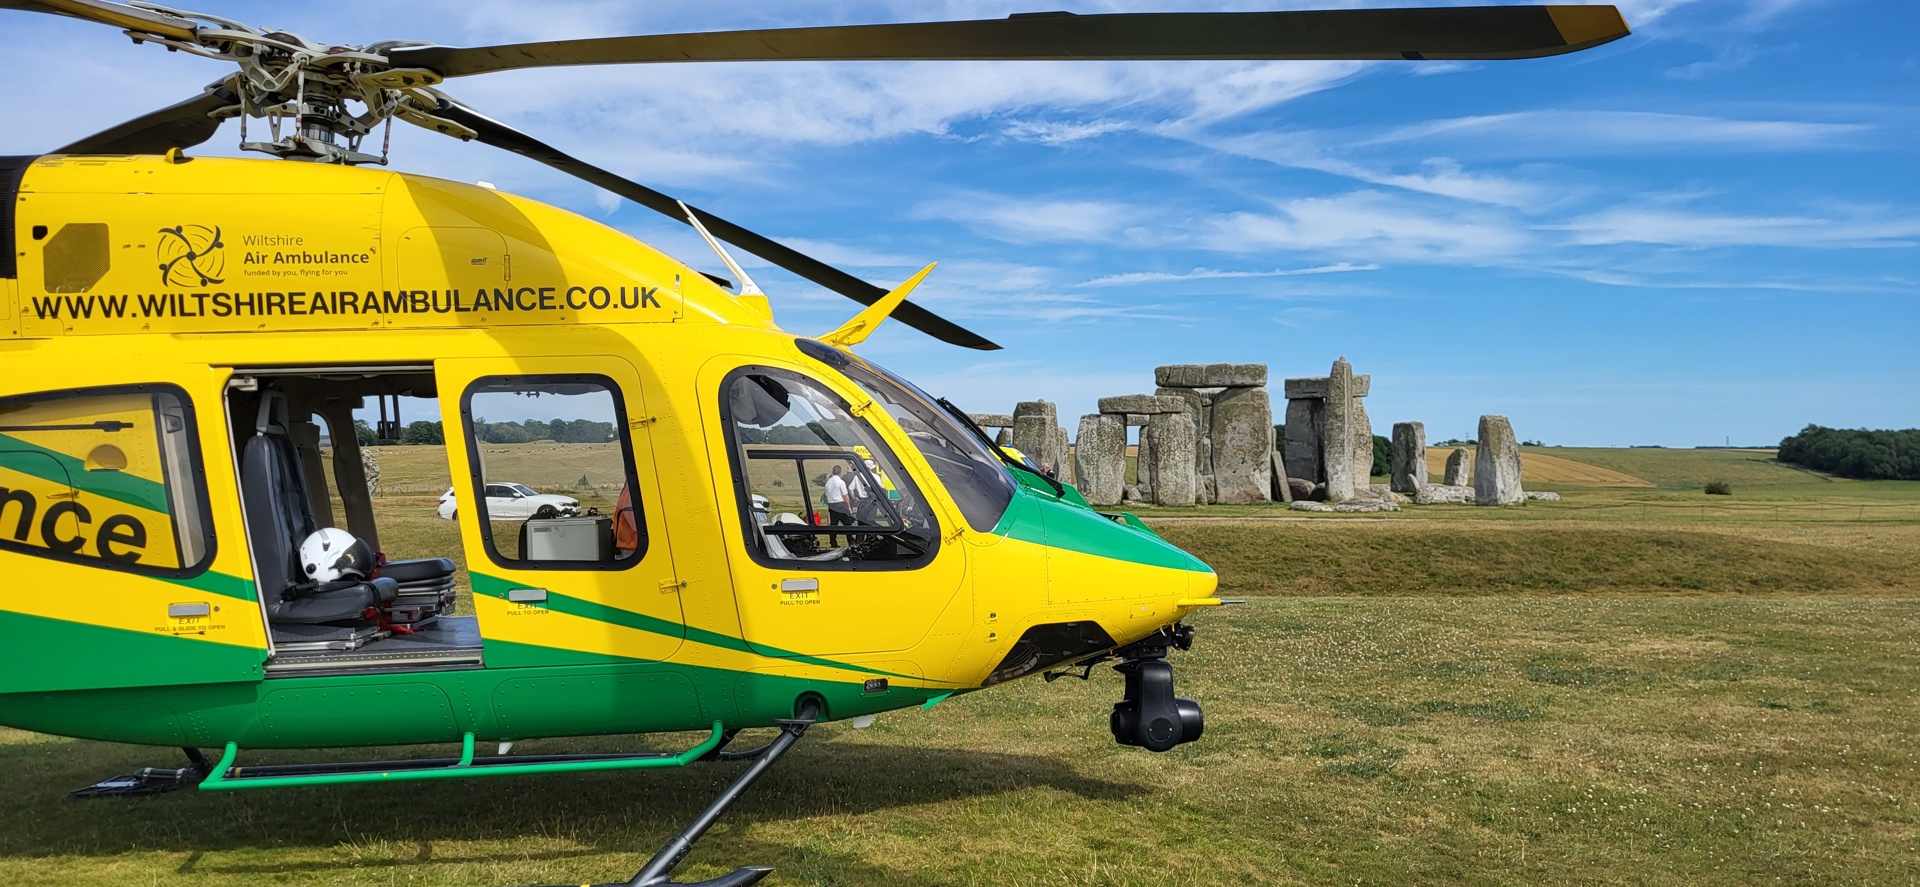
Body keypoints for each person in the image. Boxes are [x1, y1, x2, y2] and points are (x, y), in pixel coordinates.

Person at [823, 464, 853, 545]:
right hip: (840, 505)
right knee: (847, 524)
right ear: (840, 472)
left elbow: (826, 494)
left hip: (832, 505)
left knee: (833, 525)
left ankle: (833, 541)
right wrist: (849, 506)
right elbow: (845, 495)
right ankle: (850, 540)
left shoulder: (828, 482)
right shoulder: (840, 482)